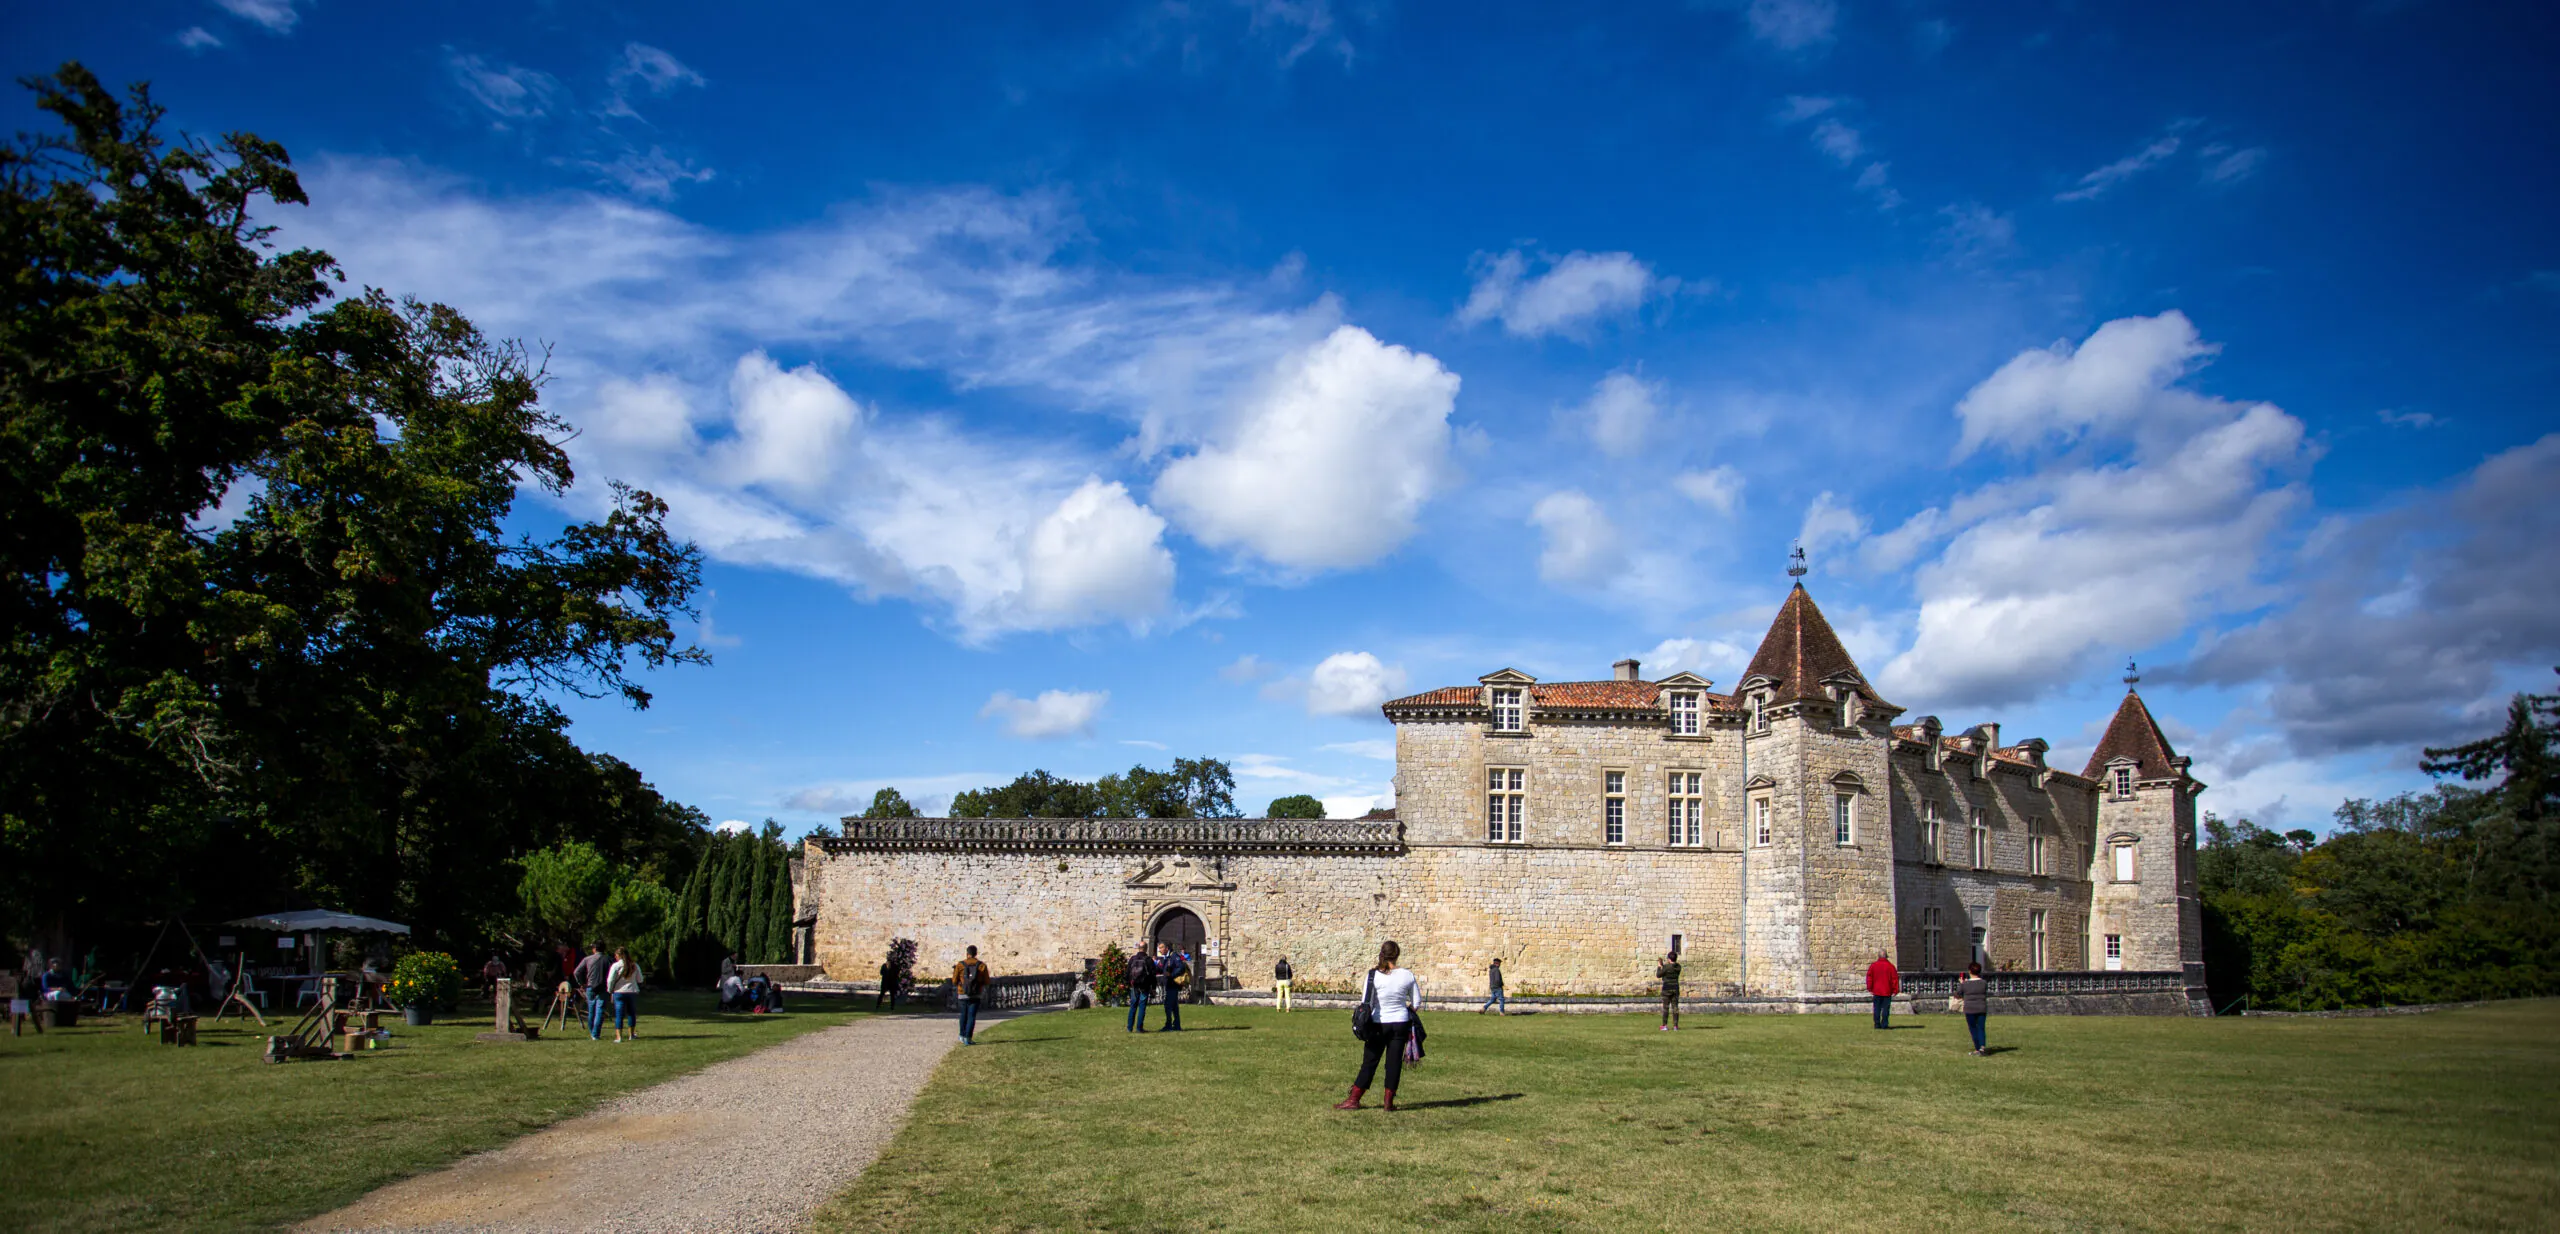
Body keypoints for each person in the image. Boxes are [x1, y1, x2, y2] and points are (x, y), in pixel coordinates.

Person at [1335, 940, 1420, 1112]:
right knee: (1394, 1063)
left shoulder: (1373, 975)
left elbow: (1366, 1002)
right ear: (1397, 955)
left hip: (1379, 1023)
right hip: (1400, 1022)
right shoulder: (1407, 975)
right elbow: (1416, 1002)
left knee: (1370, 1062)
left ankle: (1354, 1099)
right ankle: (1388, 1102)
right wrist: (1405, 1009)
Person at [952, 946, 992, 1045]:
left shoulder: (960, 965)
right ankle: (968, 1038)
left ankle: (962, 1035)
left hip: (962, 993)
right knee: (971, 1016)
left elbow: (954, 981)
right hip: (976, 994)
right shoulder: (981, 966)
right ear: (976, 954)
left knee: (963, 1015)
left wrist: (961, 984)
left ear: (967, 954)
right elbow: (987, 981)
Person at [575, 942, 610, 1040]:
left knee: (591, 1010)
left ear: (594, 949)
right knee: (599, 1010)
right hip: (603, 987)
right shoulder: (608, 959)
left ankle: (592, 1032)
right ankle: (595, 1033)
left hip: (590, 986)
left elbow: (576, 972)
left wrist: (581, 983)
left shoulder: (587, 959)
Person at [607, 947, 643, 1042]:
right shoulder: (634, 965)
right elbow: (640, 979)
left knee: (619, 1015)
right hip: (632, 991)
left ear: (619, 955)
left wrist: (610, 990)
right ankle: (631, 1034)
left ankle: (619, 1037)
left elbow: (610, 980)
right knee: (631, 1013)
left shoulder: (616, 966)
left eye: (616, 955)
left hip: (619, 991)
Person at [1957, 962, 1990, 1055]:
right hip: (1981, 1008)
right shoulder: (1983, 983)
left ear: (1970, 971)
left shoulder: (1965, 984)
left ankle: (1977, 1048)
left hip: (1970, 1008)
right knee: (1981, 1028)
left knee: (1973, 1028)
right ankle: (1982, 1047)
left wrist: (1961, 983)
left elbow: (1958, 994)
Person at [1155, 943, 1186, 1031]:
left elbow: (1181, 967)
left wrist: (1172, 975)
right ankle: (1177, 1025)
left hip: (1173, 984)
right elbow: (1163, 969)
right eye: (1159, 948)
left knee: (1168, 1005)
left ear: (1166, 948)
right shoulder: (1165, 958)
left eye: (1161, 948)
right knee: (1174, 1006)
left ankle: (1169, 1025)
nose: (1160, 950)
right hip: (1169, 984)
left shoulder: (1174, 956)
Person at [1866, 949, 1900, 1029]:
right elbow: (1894, 979)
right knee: (1885, 1009)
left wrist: (1870, 988)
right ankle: (1884, 1024)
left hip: (1877, 991)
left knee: (1877, 1008)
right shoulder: (1890, 967)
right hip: (1887, 991)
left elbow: (1869, 978)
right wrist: (1895, 990)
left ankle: (1877, 1024)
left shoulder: (1873, 966)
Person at [1124, 946, 1154, 1032]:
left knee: (1133, 1006)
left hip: (1134, 986)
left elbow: (1128, 972)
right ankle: (1139, 1028)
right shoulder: (1148, 960)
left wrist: (1128, 983)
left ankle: (1129, 1028)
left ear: (1139, 948)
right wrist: (1153, 987)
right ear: (1146, 948)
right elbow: (1152, 974)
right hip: (1145, 986)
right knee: (1142, 1007)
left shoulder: (1133, 958)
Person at [10, 964, 42, 1036]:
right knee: (19, 1002)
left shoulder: (26, 979)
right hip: (20, 997)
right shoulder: (22, 979)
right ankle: (15, 1029)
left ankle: (15, 1029)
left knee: (19, 1001)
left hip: (20, 997)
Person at [1656, 951, 1682, 1031]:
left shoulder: (1666, 967)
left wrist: (1659, 966)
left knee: (1666, 1008)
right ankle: (1675, 1026)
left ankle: (1664, 1025)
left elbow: (1659, 974)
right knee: (1675, 1008)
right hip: (1675, 988)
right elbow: (1671, 968)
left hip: (1667, 989)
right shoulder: (1678, 967)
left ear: (1669, 959)